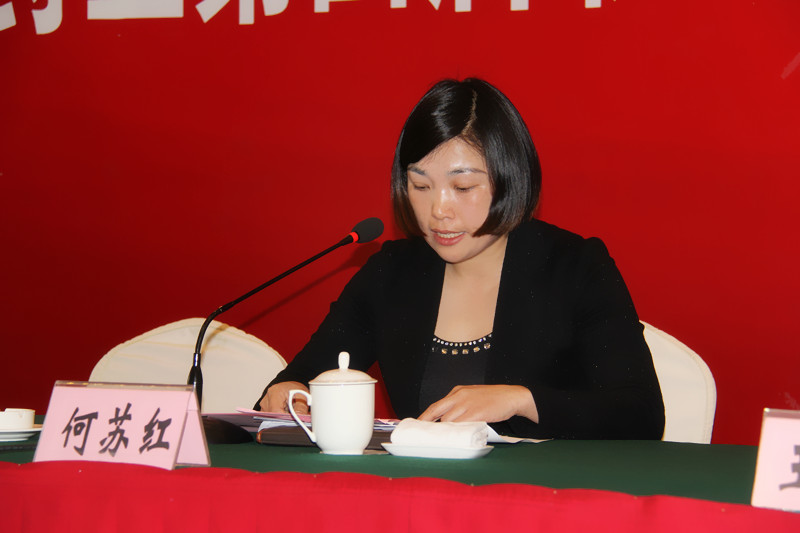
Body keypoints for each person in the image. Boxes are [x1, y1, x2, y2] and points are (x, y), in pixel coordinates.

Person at [256, 78, 665, 440]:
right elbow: (298, 381)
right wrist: (289, 392)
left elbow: (641, 413)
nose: (439, 210)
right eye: (420, 186)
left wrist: (521, 400)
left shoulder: (575, 267)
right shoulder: (391, 274)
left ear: (511, 180)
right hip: (422, 494)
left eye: (463, 187)